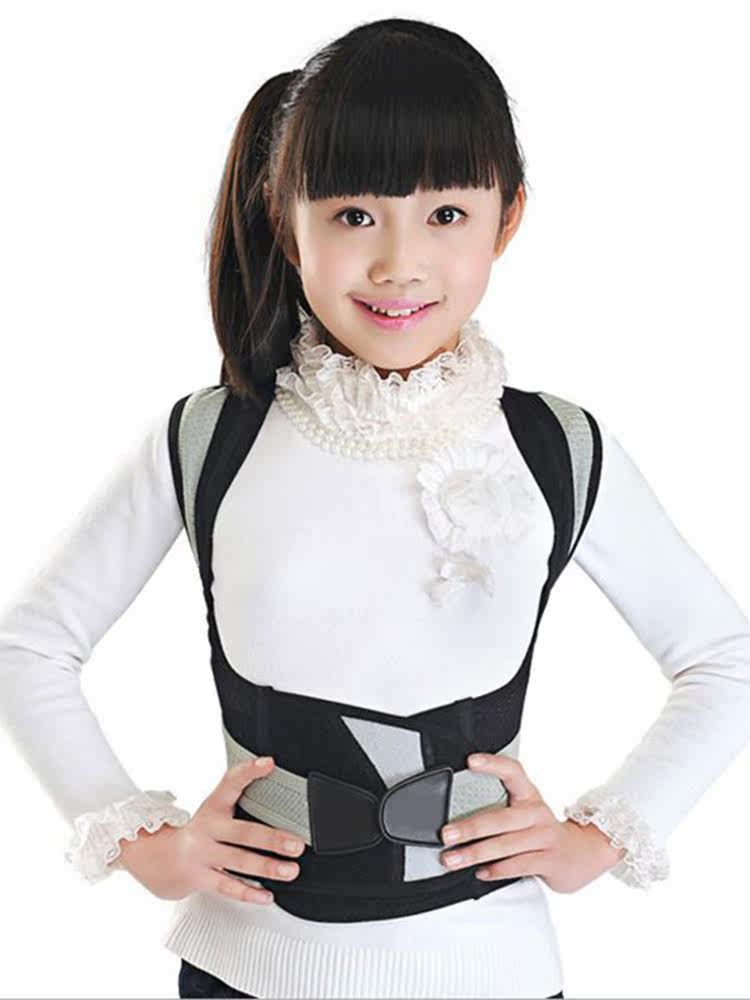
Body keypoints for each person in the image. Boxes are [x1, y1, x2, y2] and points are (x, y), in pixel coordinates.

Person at [2, 15, 750, 1000]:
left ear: (508, 219)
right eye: (355, 214)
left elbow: (722, 659)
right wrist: (141, 842)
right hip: (245, 968)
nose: (400, 262)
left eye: (447, 214)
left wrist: (598, 838)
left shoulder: (554, 447)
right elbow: (31, 644)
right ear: (287, 221)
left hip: (492, 974)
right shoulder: (209, 438)